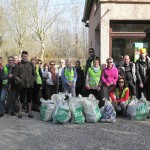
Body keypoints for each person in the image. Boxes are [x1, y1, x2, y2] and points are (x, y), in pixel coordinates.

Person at [14, 51, 36, 118]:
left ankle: (29, 111)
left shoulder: (31, 64)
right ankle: (20, 112)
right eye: (24, 56)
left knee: (29, 98)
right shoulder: (18, 65)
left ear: (27, 56)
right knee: (21, 98)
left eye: (26, 56)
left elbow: (35, 74)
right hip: (21, 85)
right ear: (22, 57)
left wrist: (32, 81)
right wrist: (20, 81)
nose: (25, 57)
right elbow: (15, 75)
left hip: (29, 85)